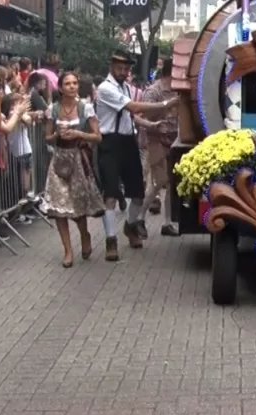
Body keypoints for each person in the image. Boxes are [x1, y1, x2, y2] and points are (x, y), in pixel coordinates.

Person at [95, 51, 177, 258]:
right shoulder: (105, 88)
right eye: (120, 68)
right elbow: (133, 106)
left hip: (128, 142)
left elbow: (132, 116)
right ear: (111, 67)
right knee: (112, 194)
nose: (124, 72)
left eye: (126, 69)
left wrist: (151, 124)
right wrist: (166, 104)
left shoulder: (125, 88)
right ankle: (110, 240)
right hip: (110, 143)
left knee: (138, 193)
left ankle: (130, 225)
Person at [46, 70, 106, 268]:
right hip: (58, 160)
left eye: (75, 83)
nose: (72, 87)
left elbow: (97, 136)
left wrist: (79, 134)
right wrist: (57, 135)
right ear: (61, 88)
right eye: (68, 84)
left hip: (78, 159)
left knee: (77, 205)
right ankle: (68, 251)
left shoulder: (86, 108)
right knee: (58, 207)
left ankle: (84, 234)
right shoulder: (52, 109)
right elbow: (47, 137)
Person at [137, 57, 180, 236]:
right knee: (159, 181)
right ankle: (138, 218)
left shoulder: (178, 91)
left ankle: (167, 223)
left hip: (173, 140)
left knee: (170, 183)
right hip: (155, 140)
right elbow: (139, 117)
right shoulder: (153, 92)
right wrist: (153, 125)